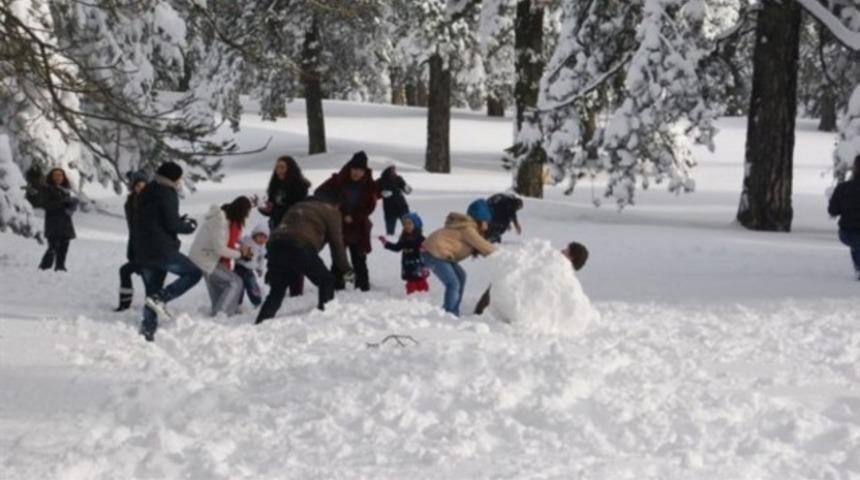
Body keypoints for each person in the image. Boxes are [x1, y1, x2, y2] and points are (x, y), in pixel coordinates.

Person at [255, 188, 354, 324]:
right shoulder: (331, 211)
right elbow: (337, 245)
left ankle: (260, 323)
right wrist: (346, 270)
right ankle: (324, 320)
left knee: (277, 292)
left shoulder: (298, 205)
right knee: (326, 281)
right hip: (299, 246)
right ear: (336, 203)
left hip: (275, 245)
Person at [134, 161, 202, 342]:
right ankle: (162, 298)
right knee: (194, 273)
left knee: (151, 290)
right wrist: (189, 226)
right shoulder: (167, 194)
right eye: (179, 178)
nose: (180, 181)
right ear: (173, 178)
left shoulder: (147, 190)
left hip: (143, 249)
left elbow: (155, 219)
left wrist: (176, 220)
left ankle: (148, 330)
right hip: (162, 249)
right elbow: (172, 224)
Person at [422, 199, 497, 316]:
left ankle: (451, 309)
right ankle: (450, 313)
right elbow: (484, 246)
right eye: (486, 222)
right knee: (453, 283)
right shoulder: (468, 229)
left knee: (461, 276)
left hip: (440, 254)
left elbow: (482, 246)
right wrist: (504, 255)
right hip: (433, 253)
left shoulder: (468, 227)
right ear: (480, 220)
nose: (487, 226)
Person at [317, 151, 378, 291]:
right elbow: (319, 192)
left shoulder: (369, 185)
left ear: (364, 171)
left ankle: (362, 286)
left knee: (359, 257)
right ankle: (337, 285)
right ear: (350, 168)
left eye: (360, 170)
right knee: (338, 256)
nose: (357, 173)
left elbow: (371, 205)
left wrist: (355, 216)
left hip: (359, 226)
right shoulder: (338, 180)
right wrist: (335, 208)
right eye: (355, 169)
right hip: (338, 225)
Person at [474, 241, 590, 315]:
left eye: (566, 251)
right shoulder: (554, 263)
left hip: (523, 309)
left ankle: (480, 311)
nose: (561, 251)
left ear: (571, 258)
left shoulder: (562, 279)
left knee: (503, 281)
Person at [189, 196, 254, 316]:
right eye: (246, 213)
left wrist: (242, 244)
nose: (246, 217)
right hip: (205, 259)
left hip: (209, 258)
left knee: (220, 290)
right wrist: (240, 254)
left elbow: (230, 236)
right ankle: (221, 314)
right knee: (235, 282)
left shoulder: (227, 220)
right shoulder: (220, 221)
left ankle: (220, 312)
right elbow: (220, 249)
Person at [115, 171, 148, 311]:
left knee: (148, 276)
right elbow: (132, 228)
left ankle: (153, 304)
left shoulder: (151, 202)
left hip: (151, 248)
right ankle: (124, 303)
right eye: (138, 185)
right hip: (136, 246)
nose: (140, 188)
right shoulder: (130, 203)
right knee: (125, 271)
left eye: (143, 185)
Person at [38, 167, 79, 272]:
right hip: (53, 223)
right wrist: (63, 202)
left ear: (63, 177)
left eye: (60, 175)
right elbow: (46, 204)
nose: (58, 177)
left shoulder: (66, 189)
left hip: (65, 223)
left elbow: (70, 205)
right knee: (53, 247)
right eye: (55, 175)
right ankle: (44, 267)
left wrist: (72, 206)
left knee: (64, 246)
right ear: (51, 177)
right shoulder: (47, 188)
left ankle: (60, 266)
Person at [378, 212, 429, 295]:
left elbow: (428, 249)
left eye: (409, 223)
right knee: (410, 282)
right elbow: (397, 248)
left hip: (419, 264)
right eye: (405, 224)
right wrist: (386, 243)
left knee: (420, 281)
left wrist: (424, 250)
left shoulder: (420, 238)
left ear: (415, 225)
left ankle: (424, 295)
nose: (407, 226)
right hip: (407, 264)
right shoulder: (403, 237)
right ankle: (411, 297)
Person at [828, 155, 860, 280]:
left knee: (856, 243)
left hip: (847, 232)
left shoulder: (843, 188)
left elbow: (833, 211)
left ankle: (858, 267)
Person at [259, 155, 311, 229]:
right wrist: (263, 206)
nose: (279, 171)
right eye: (277, 167)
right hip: (276, 225)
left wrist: (276, 210)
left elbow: (297, 208)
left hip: (294, 226)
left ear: (290, 169)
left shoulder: (300, 186)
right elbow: (272, 208)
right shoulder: (275, 185)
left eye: (282, 167)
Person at [235, 223, 269, 308]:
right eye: (260, 236)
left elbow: (261, 260)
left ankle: (257, 302)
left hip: (249, 271)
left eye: (264, 238)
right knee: (239, 287)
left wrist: (260, 269)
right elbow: (237, 240)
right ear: (254, 235)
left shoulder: (262, 249)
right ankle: (237, 304)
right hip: (239, 268)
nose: (262, 240)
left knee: (253, 286)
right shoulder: (247, 240)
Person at [376, 165, 412, 235]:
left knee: (410, 230)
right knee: (390, 233)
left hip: (402, 207)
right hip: (389, 210)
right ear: (386, 171)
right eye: (392, 170)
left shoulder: (398, 178)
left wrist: (407, 188)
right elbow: (375, 194)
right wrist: (382, 193)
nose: (394, 172)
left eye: (394, 170)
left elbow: (406, 188)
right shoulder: (380, 181)